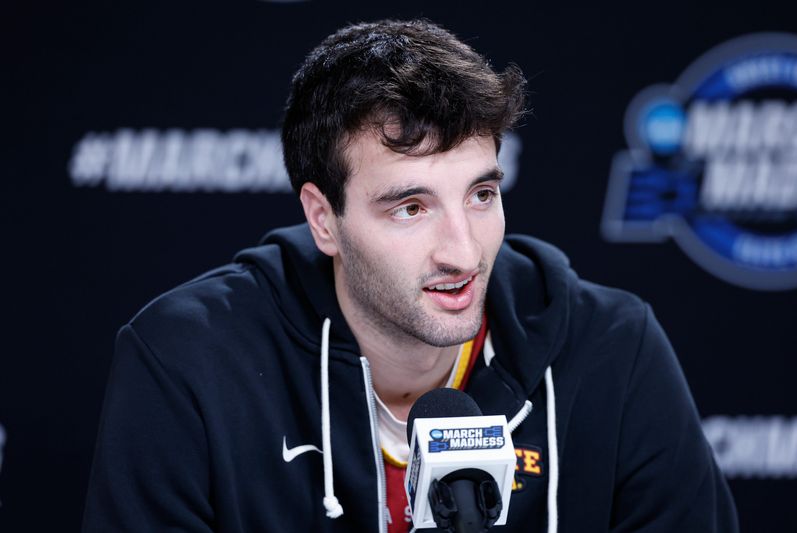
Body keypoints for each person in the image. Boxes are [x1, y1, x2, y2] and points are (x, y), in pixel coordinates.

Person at [83, 19, 738, 533]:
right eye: (411, 206)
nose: (463, 251)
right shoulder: (188, 361)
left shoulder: (612, 350)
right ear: (324, 218)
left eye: (482, 195)